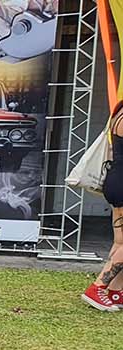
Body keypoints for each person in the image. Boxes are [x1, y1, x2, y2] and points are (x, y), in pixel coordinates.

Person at [82, 104, 123, 311]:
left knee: (120, 243)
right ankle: (98, 287)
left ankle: (115, 292)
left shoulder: (118, 114)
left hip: (116, 180)